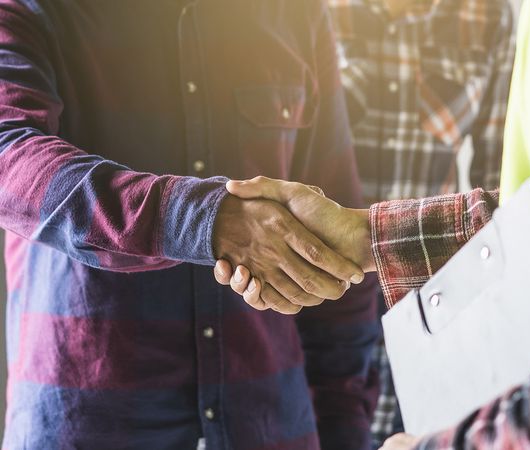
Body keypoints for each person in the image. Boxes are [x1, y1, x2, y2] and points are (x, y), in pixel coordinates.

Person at [215, 0, 530, 447]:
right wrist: (367, 236)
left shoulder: (509, 17)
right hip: (318, 298)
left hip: (435, 310)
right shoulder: (312, 15)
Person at [0, 1, 380, 449]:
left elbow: (337, 239)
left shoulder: (295, 15)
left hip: (271, 423)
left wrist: (345, 428)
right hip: (87, 422)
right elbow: (10, 154)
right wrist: (208, 220)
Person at [327, 0, 515, 444]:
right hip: (315, 300)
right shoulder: (313, 12)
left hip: (426, 302)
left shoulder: (487, 16)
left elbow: (501, 189)